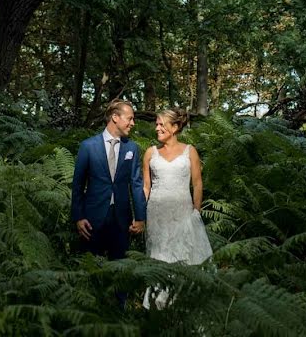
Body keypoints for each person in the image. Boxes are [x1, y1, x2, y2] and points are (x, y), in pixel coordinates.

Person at [142, 108, 213, 308]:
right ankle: (158, 306)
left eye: (161, 124)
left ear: (174, 127)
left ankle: (183, 306)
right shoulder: (150, 153)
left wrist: (196, 211)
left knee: (183, 256)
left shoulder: (190, 151)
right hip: (156, 214)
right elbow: (146, 187)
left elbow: (197, 184)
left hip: (183, 212)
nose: (156, 128)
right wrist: (139, 213)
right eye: (156, 124)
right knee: (159, 256)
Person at [71, 100, 146, 261]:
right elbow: (78, 185)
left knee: (120, 272)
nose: (132, 123)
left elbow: (136, 184)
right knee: (90, 268)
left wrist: (140, 217)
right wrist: (78, 217)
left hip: (121, 220)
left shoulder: (131, 148)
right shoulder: (88, 146)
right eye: (130, 118)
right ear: (115, 117)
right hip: (91, 219)